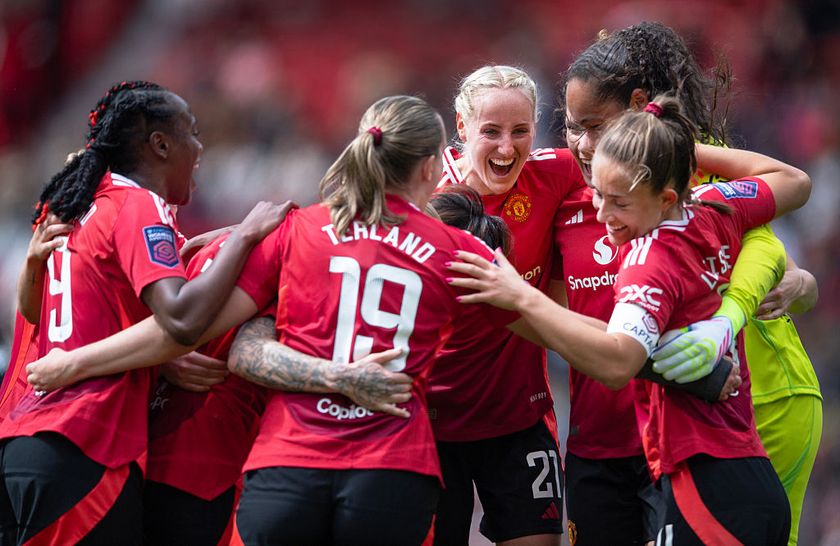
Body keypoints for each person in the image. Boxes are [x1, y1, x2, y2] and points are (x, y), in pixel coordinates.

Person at [24, 95, 523, 545]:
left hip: (257, 467)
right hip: (258, 463)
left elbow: (201, 334)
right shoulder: (446, 251)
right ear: (431, 167)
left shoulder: (292, 231)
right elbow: (186, 329)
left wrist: (84, 360)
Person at [449, 96, 810, 545]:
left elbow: (618, 360)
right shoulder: (715, 209)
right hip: (747, 467)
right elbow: (792, 185)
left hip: (701, 479)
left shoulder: (645, 261)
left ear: (665, 196)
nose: (601, 214)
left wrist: (519, 295)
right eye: (597, 195)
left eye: (617, 202)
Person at [557, 22, 821, 546]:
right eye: (572, 127)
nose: (585, 146)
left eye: (596, 127)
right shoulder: (574, 188)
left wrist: (739, 315)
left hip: (756, 403)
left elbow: (770, 249)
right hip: (656, 435)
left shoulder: (693, 185)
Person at [0, 81, 289, 544]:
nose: (200, 146)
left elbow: (36, 311)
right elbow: (180, 319)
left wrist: (159, 357)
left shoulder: (74, 204)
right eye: (192, 132)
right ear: (160, 144)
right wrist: (245, 236)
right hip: (88, 441)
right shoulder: (138, 204)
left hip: (24, 437)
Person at [429, 65, 583, 546]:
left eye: (520, 131)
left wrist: (763, 255)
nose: (506, 147)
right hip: (432, 422)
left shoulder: (556, 172)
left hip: (520, 419)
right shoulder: (426, 195)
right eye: (490, 132)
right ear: (461, 126)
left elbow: (652, 178)